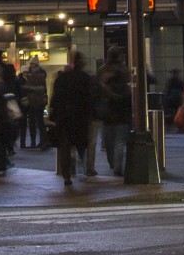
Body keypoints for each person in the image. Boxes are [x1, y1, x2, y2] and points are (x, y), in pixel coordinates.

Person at [49, 52, 95, 186]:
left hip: (64, 118)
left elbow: (55, 98)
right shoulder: (85, 78)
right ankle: (84, 170)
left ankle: (67, 175)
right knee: (81, 145)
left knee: (65, 147)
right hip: (80, 118)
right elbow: (89, 99)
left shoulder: (62, 78)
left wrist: (55, 115)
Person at [95, 59, 133, 180]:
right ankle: (117, 168)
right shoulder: (126, 89)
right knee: (119, 143)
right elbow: (129, 104)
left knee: (110, 143)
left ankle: (112, 163)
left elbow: (100, 100)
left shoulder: (105, 87)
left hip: (108, 119)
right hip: (122, 119)